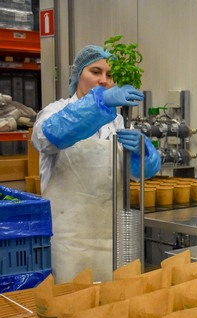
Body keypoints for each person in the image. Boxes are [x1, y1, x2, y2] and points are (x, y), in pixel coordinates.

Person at [32, 45, 161, 283]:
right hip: (69, 243)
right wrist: (100, 102)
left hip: (111, 240)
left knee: (112, 301)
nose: (103, 80)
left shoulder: (118, 122)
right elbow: (49, 137)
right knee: (71, 300)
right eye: (95, 72)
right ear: (77, 74)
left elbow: (138, 174)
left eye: (109, 75)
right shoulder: (55, 112)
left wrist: (142, 154)